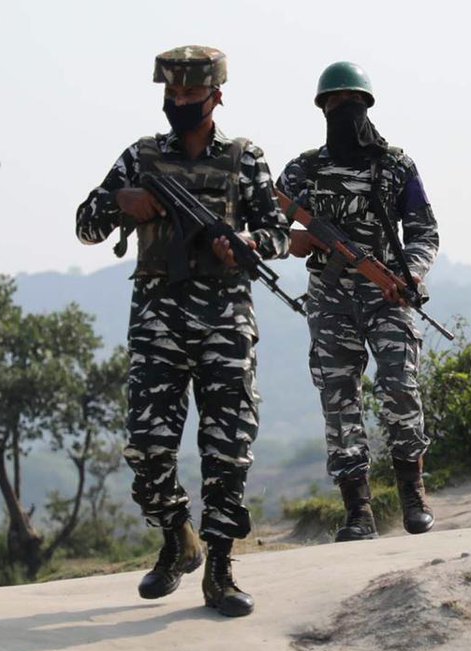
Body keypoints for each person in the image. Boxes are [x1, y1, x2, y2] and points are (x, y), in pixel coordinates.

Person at [75, 46, 289, 617]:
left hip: (225, 322)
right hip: (157, 322)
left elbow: (278, 235)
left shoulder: (246, 159)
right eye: (172, 95)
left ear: (217, 95)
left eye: (192, 95)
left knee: (227, 449)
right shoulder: (141, 157)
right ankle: (177, 538)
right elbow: (85, 226)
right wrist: (122, 202)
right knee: (147, 448)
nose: (181, 103)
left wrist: (246, 243)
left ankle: (219, 568)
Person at [276, 62, 439, 540]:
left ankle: (413, 493)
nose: (343, 110)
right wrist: (300, 240)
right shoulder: (303, 169)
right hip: (329, 298)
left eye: (352, 102)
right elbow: (268, 225)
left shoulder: (395, 165)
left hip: (387, 293)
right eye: (334, 103)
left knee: (401, 386)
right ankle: (358, 510)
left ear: (367, 106)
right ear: (322, 108)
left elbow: (424, 230)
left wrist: (409, 274)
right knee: (339, 398)